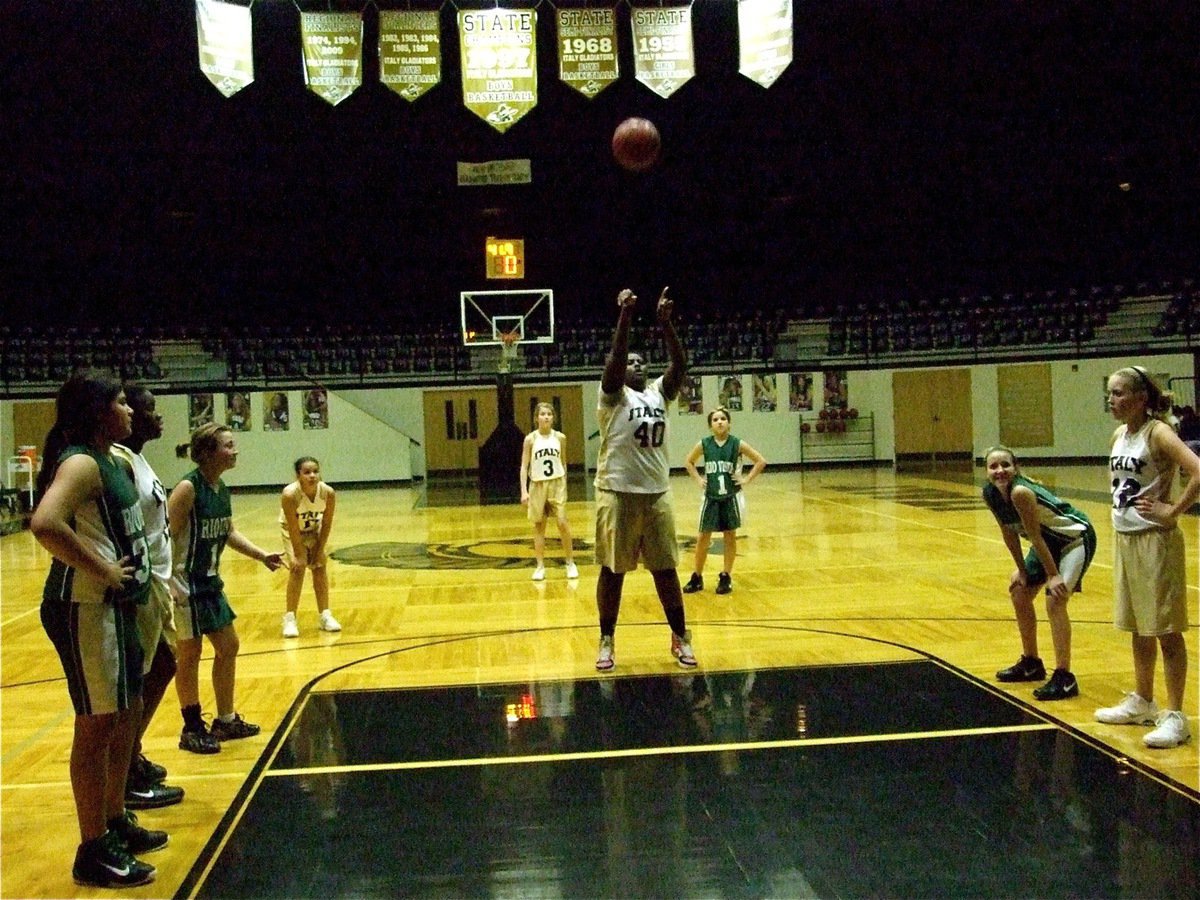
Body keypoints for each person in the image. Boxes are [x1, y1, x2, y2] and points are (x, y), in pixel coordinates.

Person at [31, 371, 165, 888]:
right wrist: (104, 571)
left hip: (114, 608)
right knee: (95, 728)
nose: (129, 409)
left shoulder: (113, 459)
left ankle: (114, 822)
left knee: (119, 720)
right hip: (83, 606)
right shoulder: (83, 462)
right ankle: (92, 849)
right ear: (97, 412)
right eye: (119, 403)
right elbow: (45, 523)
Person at [1094, 366, 1199, 748]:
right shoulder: (1119, 435)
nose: (1112, 400)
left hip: (1157, 540)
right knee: (1139, 626)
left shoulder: (1160, 433)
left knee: (1166, 630)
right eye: (1110, 393)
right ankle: (1142, 700)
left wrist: (1173, 511)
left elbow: (1197, 471)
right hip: (1126, 539)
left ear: (1141, 398)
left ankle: (1175, 715)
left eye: (1119, 393)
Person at [593, 286, 696, 671]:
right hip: (617, 493)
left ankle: (681, 637)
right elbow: (617, 362)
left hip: (657, 495)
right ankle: (606, 639)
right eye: (629, 361)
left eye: (641, 361)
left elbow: (680, 366)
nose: (636, 365)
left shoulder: (658, 394)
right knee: (613, 571)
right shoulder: (612, 397)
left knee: (666, 570)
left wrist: (666, 324)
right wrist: (625, 317)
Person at [170, 423, 282, 753]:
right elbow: (164, 536)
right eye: (228, 446)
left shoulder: (221, 489)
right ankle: (191, 727)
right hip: (185, 583)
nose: (234, 451)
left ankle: (225, 719)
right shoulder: (188, 488)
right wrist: (165, 582)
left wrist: (261, 555)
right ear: (208, 452)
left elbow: (228, 532)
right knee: (190, 654)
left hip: (209, 582)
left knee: (228, 646)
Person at [111, 385, 186, 809]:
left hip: (158, 580)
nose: (158, 417)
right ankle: (121, 777)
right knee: (139, 678)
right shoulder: (118, 463)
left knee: (164, 665)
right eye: (150, 410)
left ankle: (131, 752)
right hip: (140, 585)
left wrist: (169, 573)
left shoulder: (139, 459)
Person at [982, 446, 1097, 701]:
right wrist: (1022, 570)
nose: (1000, 470)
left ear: (1016, 467)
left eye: (1005, 465)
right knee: (1020, 593)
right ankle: (1031, 662)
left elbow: (1034, 535)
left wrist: (1054, 575)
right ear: (986, 471)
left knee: (1055, 600)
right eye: (993, 466)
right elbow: (1008, 532)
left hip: (1073, 540)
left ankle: (1065, 677)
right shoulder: (989, 493)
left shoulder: (1021, 492)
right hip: (1046, 543)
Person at [681, 407, 767, 596]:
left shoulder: (737, 444)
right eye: (715, 419)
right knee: (703, 536)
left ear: (729, 423)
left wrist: (746, 480)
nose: (719, 422)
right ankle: (697, 576)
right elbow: (688, 462)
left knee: (730, 535)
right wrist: (698, 479)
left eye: (723, 419)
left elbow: (760, 461)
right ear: (710, 425)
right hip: (710, 496)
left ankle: (726, 575)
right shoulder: (704, 444)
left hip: (731, 495)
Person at [280, 456, 340, 637]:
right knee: (298, 568)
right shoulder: (290, 495)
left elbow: (327, 522)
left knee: (320, 567)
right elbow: (292, 526)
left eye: (315, 471)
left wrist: (320, 549)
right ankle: (289, 618)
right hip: (292, 531)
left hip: (314, 529)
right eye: (307, 472)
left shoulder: (328, 493)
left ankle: (325, 615)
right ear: (298, 475)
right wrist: (299, 554)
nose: (312, 475)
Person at [519, 402, 578, 581]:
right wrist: (523, 491)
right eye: (542, 414)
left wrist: (564, 483)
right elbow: (524, 466)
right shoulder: (530, 439)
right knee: (539, 525)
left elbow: (564, 462)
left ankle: (570, 562)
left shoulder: (560, 437)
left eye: (549, 414)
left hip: (557, 483)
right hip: (537, 484)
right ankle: (539, 566)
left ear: (553, 418)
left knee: (562, 522)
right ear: (536, 418)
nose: (546, 417)